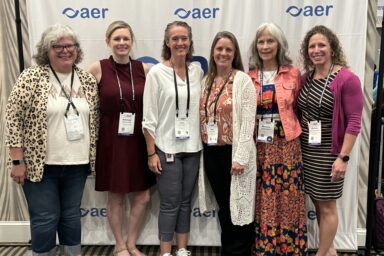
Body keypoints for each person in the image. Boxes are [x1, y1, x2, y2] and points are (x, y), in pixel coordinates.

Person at [5, 24, 99, 256]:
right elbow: (13, 118)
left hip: (77, 163)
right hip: (41, 165)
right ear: (46, 50)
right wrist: (17, 161)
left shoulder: (86, 79)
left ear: (77, 49)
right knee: (45, 218)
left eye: (70, 45)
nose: (65, 50)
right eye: (57, 46)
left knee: (71, 215)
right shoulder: (31, 76)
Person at [88, 21, 155, 256]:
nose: (122, 43)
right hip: (111, 141)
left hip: (139, 139)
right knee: (115, 195)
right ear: (108, 42)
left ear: (132, 41)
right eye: (116, 38)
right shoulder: (97, 68)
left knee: (143, 195)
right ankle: (119, 245)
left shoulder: (144, 69)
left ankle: (132, 243)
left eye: (126, 38)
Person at [297, 25, 363, 256]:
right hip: (308, 150)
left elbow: (355, 121)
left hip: (330, 153)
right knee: (318, 203)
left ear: (332, 48)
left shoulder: (346, 79)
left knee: (327, 207)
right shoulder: (307, 78)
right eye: (312, 46)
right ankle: (330, 251)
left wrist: (342, 158)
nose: (316, 50)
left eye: (321, 45)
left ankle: (321, 253)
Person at [142, 21, 203, 256]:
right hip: (165, 147)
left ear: (190, 41)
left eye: (184, 38)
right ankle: (165, 252)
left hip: (192, 147)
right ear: (167, 42)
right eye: (175, 38)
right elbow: (148, 119)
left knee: (186, 202)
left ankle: (182, 250)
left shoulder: (197, 70)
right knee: (169, 203)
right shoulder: (157, 73)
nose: (180, 43)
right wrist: (150, 153)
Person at [247, 23, 307, 255]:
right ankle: (266, 245)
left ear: (279, 44)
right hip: (260, 144)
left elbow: (301, 109)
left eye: (270, 41)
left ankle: (290, 247)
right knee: (265, 195)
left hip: (288, 143)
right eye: (261, 41)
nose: (265, 46)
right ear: (256, 46)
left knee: (289, 195)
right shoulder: (249, 76)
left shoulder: (293, 73)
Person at [199, 31, 256, 256]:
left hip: (235, 154)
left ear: (234, 54)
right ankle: (228, 250)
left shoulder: (242, 80)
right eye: (219, 49)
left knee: (240, 207)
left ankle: (240, 251)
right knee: (225, 206)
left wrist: (241, 156)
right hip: (212, 152)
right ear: (213, 52)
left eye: (228, 50)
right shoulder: (207, 81)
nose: (223, 53)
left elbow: (248, 121)